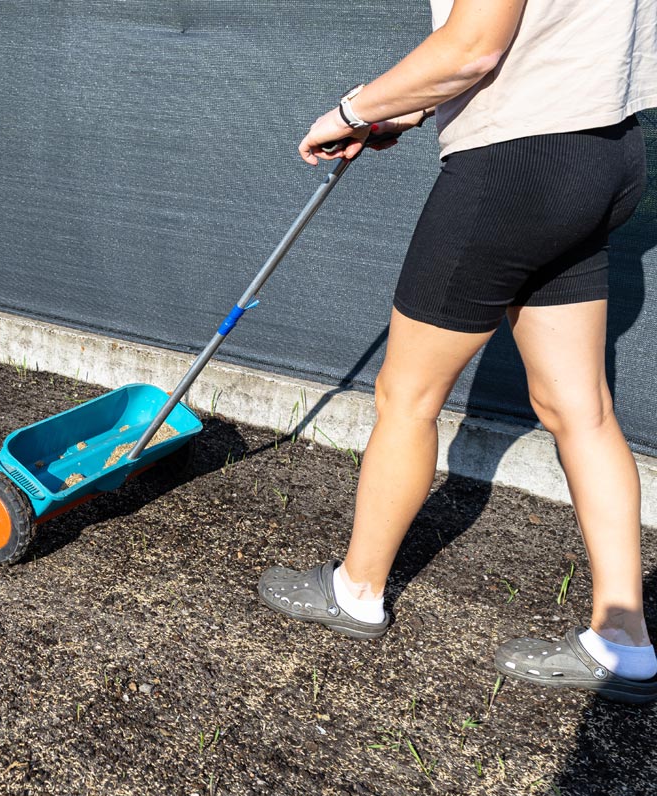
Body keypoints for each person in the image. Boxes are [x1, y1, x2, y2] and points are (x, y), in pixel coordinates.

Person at [258, 0, 657, 703]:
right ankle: (624, 645)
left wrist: (354, 110)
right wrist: (407, 108)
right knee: (580, 408)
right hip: (607, 153)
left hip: (517, 166)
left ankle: (356, 590)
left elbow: (473, 47)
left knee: (406, 396)